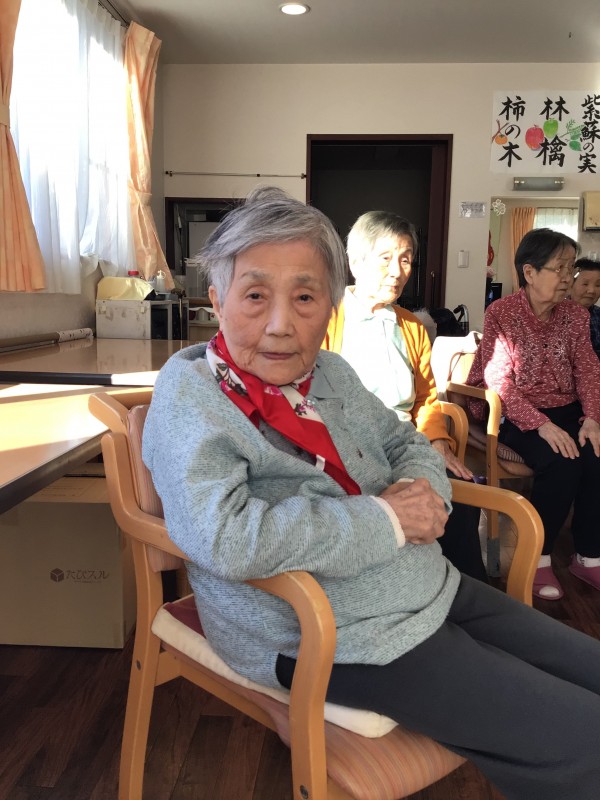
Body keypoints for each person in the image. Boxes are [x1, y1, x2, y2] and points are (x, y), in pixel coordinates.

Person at [143, 188, 600, 800]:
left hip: (427, 585)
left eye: (305, 297)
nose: (280, 324)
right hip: (327, 634)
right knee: (584, 740)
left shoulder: (329, 373)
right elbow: (223, 536)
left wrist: (424, 494)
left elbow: (406, 439)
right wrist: (386, 518)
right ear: (217, 299)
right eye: (254, 295)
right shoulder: (192, 395)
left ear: (329, 304)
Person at [323, 210, 487, 582]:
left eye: (406, 259)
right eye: (386, 258)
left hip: (405, 443)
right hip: (348, 446)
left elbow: (426, 397)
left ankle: (462, 591)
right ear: (355, 262)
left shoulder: (411, 325)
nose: (397, 271)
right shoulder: (327, 316)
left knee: (461, 497)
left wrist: (438, 442)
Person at [466, 228, 600, 601]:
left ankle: (588, 556)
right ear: (530, 272)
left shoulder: (575, 315)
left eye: (571, 268)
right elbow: (498, 380)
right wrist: (541, 425)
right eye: (559, 268)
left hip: (568, 408)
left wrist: (592, 417)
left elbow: (588, 369)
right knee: (562, 462)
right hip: (517, 412)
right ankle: (537, 558)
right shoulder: (502, 313)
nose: (567, 278)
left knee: (596, 454)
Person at [569, 257, 600, 359]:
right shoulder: (556, 314)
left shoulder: (598, 314)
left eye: (598, 285)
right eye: (585, 284)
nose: (591, 290)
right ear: (571, 284)